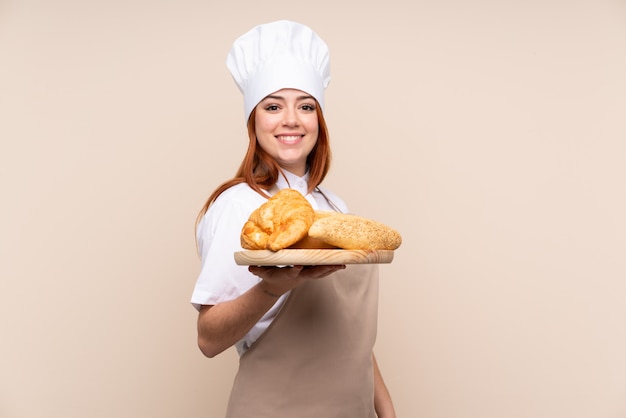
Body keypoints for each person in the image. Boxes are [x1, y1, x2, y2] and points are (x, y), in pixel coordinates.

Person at [191, 20, 396, 418]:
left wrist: (386, 412)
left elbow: (353, 338)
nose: (291, 120)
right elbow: (208, 339)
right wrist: (273, 287)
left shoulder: (335, 207)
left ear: (319, 119)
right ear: (254, 121)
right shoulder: (239, 205)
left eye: (305, 106)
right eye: (273, 106)